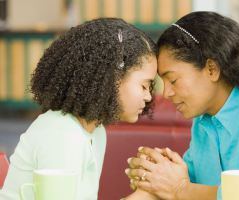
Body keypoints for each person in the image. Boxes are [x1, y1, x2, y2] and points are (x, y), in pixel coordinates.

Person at [125, 11, 239, 200]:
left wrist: (179, 189)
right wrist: (155, 177)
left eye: (173, 80)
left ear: (211, 69)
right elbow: (188, 184)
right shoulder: (204, 119)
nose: (166, 93)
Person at [0, 18, 157, 200]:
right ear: (112, 79)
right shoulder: (63, 135)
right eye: (144, 86)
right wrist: (145, 195)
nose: (149, 97)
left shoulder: (96, 132)